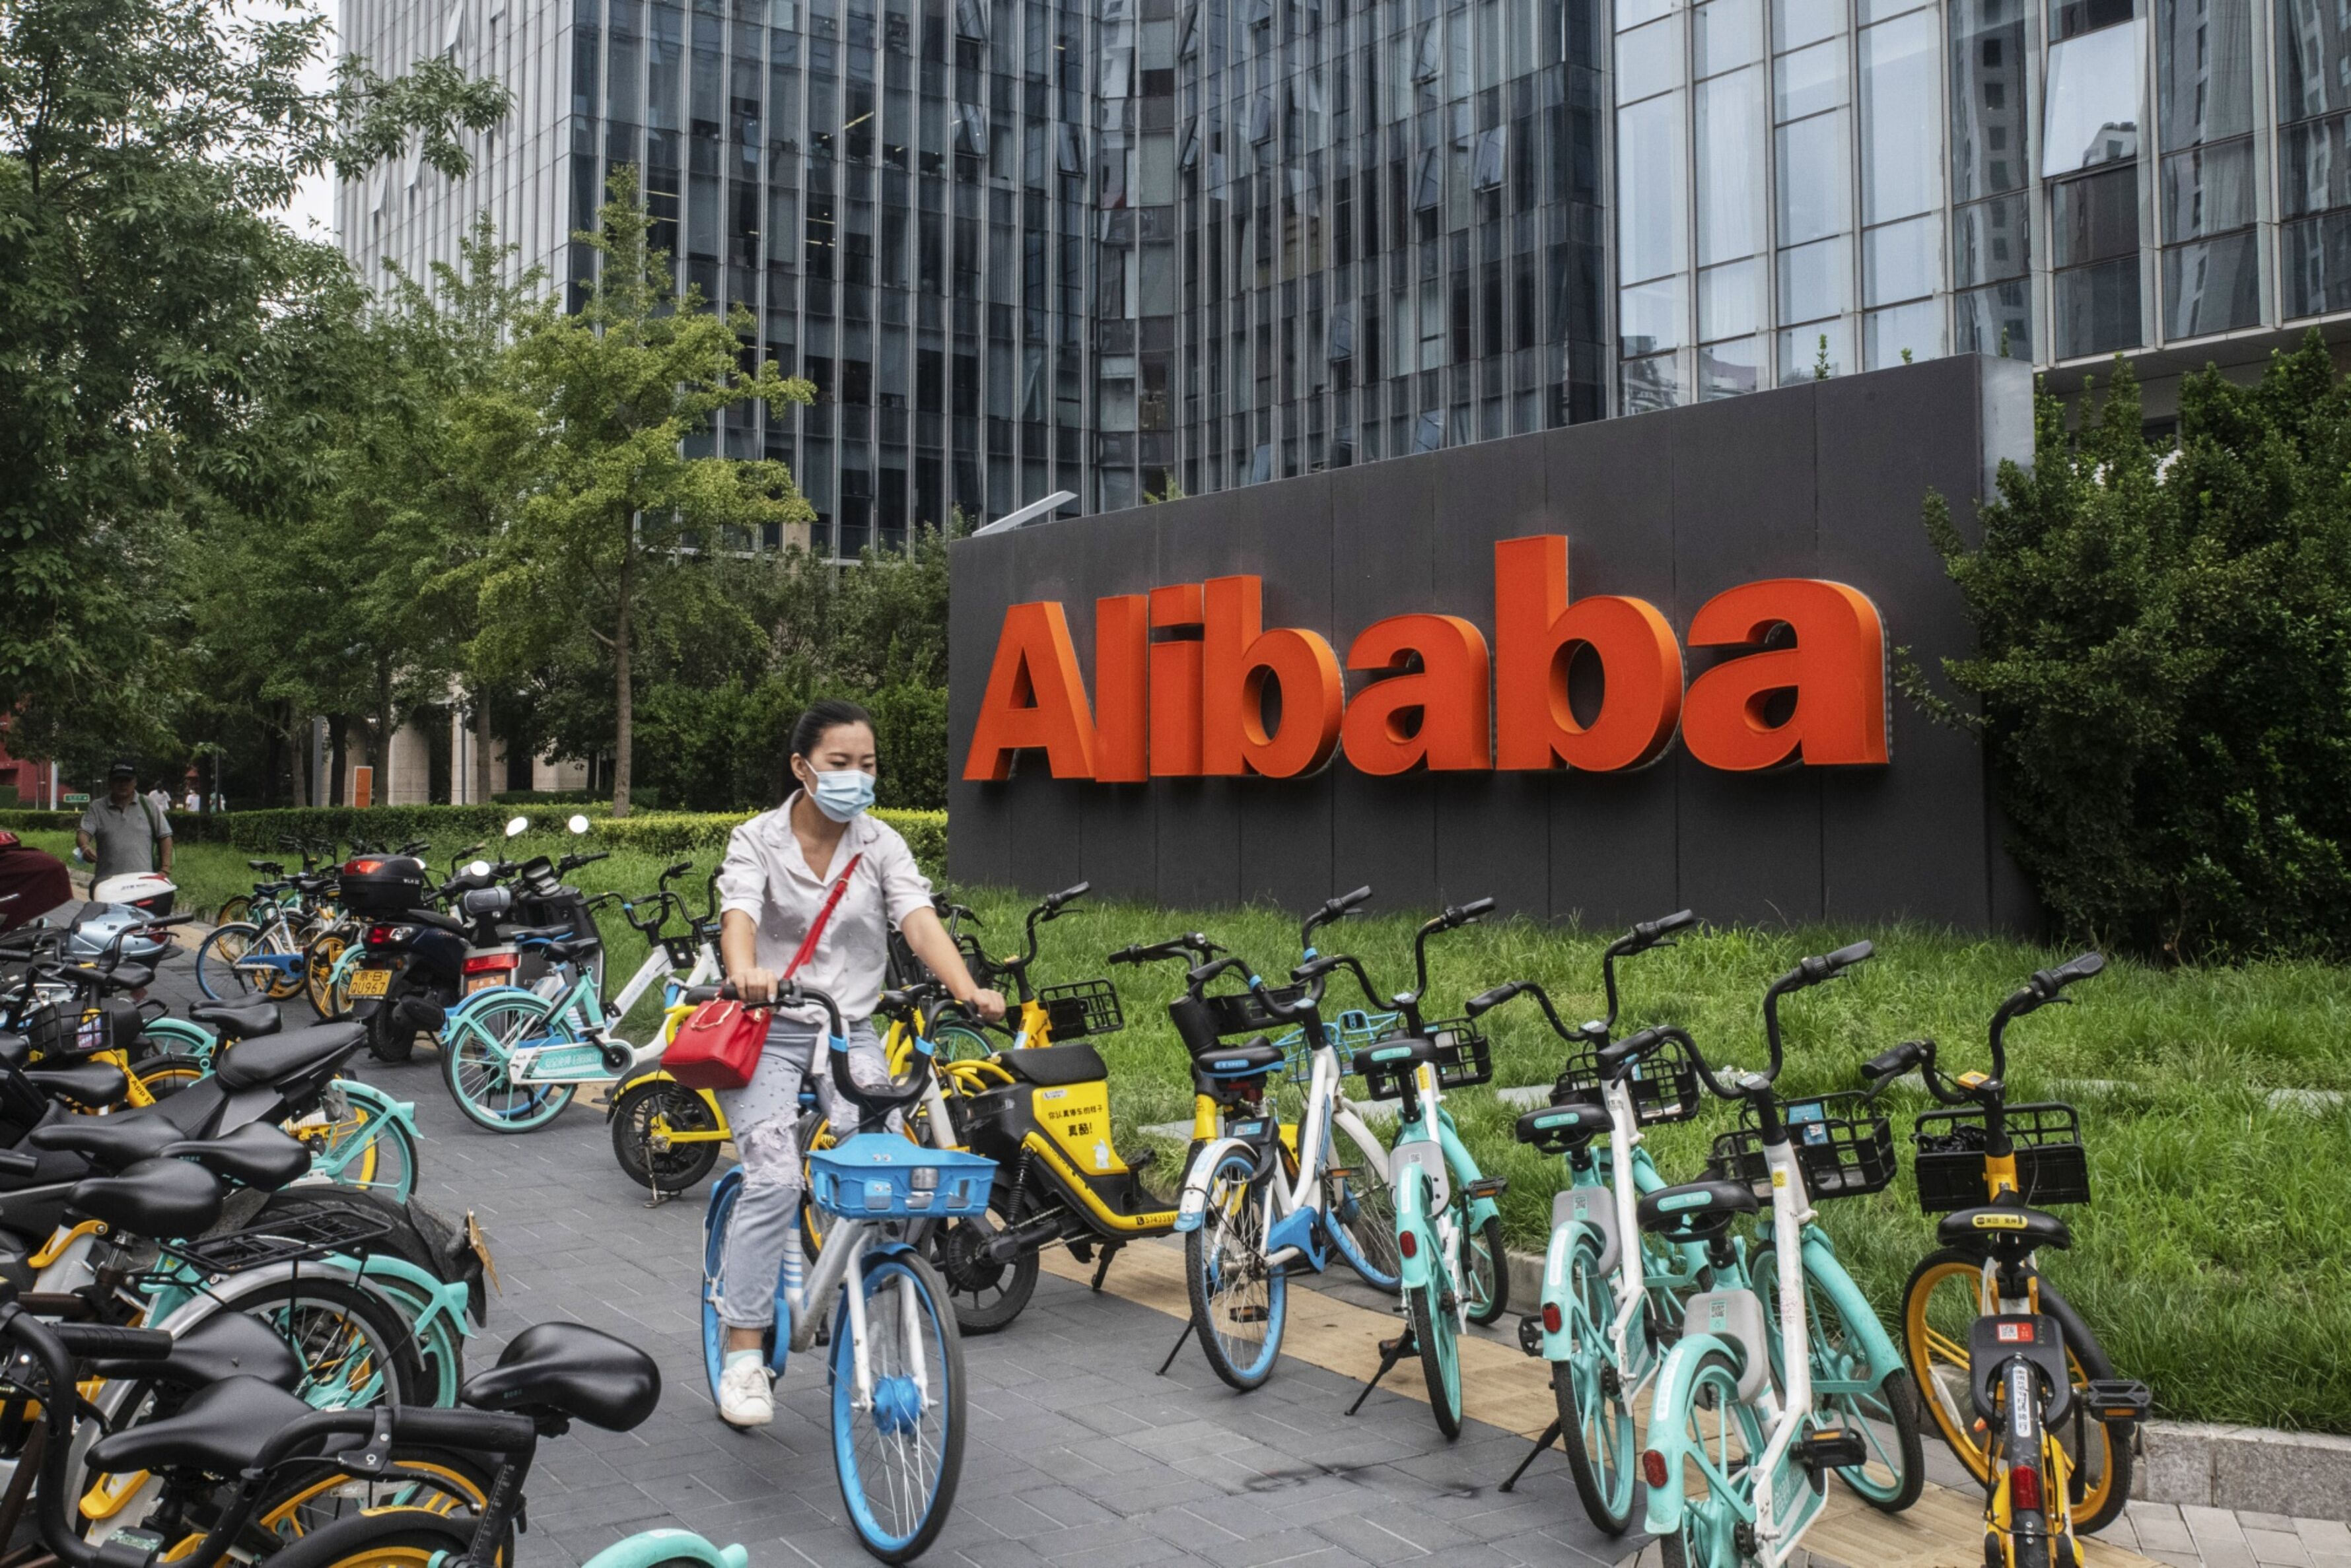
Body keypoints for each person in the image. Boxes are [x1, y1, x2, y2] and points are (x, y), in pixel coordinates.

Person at [708, 699, 1005, 1428]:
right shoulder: (757, 839)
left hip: (850, 1032)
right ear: (802, 768)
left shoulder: (880, 845)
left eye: (866, 764)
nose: (856, 777)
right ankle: (744, 1348)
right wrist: (745, 969)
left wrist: (967, 988)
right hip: (767, 1028)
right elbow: (738, 913)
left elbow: (917, 917)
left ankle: (873, 1286)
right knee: (775, 1176)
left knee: (899, 1177)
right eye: (840, 764)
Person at [77, 761, 172, 885]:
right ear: (110, 782)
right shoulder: (97, 807)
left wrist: (165, 869)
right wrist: (84, 847)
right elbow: (84, 832)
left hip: (143, 883)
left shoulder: (149, 805)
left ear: (135, 782)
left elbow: (165, 836)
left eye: (127, 780)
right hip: (107, 883)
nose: (122, 784)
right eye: (118, 780)